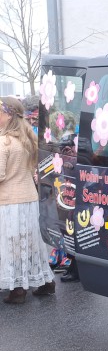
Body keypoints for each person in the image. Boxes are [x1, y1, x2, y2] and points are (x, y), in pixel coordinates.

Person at [0, 97, 56, 303]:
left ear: (8, 116)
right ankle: (45, 282)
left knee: (12, 245)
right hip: (29, 199)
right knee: (31, 243)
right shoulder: (28, 139)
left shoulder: (4, 142)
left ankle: (17, 290)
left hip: (9, 202)